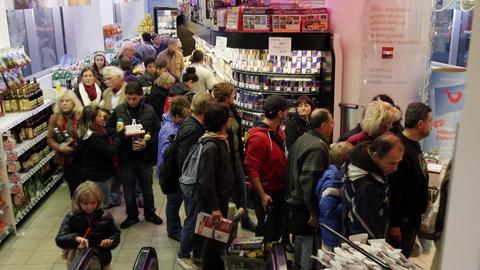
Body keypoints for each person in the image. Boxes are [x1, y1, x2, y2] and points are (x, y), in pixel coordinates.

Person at [106, 81, 163, 229]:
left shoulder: (150, 111)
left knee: (147, 188)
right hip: (126, 157)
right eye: (128, 98)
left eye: (134, 98)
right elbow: (109, 127)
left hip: (145, 158)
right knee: (128, 190)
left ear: (141, 96)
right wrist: (120, 134)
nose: (131, 101)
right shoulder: (119, 110)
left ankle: (150, 213)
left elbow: (157, 130)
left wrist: (147, 143)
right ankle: (132, 216)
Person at [286, 108, 334, 270]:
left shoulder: (303, 139)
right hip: (305, 206)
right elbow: (310, 181)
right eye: (332, 122)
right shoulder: (317, 147)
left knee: (300, 243)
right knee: (307, 247)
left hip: (296, 201)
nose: (333, 125)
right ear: (324, 125)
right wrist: (313, 210)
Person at [388, 102, 433, 257]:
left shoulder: (414, 144)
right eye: (430, 121)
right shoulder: (401, 148)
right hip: (402, 222)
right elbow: (395, 188)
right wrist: (395, 224)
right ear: (420, 124)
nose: (432, 125)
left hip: (411, 219)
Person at [244, 95, 290, 243]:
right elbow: (251, 169)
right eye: (286, 109)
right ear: (280, 114)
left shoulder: (278, 132)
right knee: (266, 230)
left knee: (276, 228)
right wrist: (262, 195)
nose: (288, 112)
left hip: (279, 188)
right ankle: (262, 259)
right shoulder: (259, 138)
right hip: (266, 192)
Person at [211, 83, 256, 232]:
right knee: (230, 190)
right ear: (225, 97)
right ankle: (230, 224)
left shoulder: (232, 108)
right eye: (233, 93)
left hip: (236, 154)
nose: (235, 95)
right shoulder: (218, 112)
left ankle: (244, 218)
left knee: (241, 187)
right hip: (226, 157)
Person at [176, 92, 213, 268]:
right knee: (192, 220)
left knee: (197, 219)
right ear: (206, 108)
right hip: (192, 184)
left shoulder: (194, 124)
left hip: (194, 183)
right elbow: (185, 160)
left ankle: (198, 253)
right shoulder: (192, 129)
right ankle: (183, 254)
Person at [197, 103, 235, 270]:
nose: (230, 120)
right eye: (228, 118)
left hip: (221, 198)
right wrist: (215, 208)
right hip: (214, 202)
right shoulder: (211, 146)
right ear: (222, 121)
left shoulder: (220, 140)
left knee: (217, 238)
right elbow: (206, 180)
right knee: (211, 239)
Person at [343, 135, 404, 239]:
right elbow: (366, 233)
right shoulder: (366, 189)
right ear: (375, 156)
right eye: (391, 163)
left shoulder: (359, 163)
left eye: (398, 163)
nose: (395, 168)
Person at [55, 181, 120, 270]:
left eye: (93, 203)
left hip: (102, 259)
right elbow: (60, 239)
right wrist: (75, 238)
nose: (89, 207)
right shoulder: (71, 217)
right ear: (77, 202)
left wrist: (110, 242)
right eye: (85, 204)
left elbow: (115, 233)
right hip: (79, 260)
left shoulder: (106, 216)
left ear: (99, 200)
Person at [156, 96, 191, 241]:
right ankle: (174, 230)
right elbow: (167, 154)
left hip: (172, 172)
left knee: (174, 202)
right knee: (173, 203)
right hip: (170, 174)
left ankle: (175, 228)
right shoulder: (169, 130)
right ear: (177, 116)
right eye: (186, 117)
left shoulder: (175, 126)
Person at [77, 105, 121, 205]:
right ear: (92, 119)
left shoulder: (90, 131)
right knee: (101, 203)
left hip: (94, 172)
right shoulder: (94, 138)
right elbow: (110, 152)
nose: (103, 118)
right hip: (99, 175)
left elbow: (108, 132)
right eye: (100, 116)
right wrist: (119, 138)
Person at [316, 141, 353, 251]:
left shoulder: (332, 173)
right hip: (333, 233)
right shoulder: (334, 181)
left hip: (332, 230)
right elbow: (326, 209)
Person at [47, 91, 83, 197]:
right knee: (73, 187)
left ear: (74, 102)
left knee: (86, 186)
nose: (64, 103)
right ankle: (76, 210)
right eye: (61, 101)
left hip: (83, 156)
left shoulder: (81, 114)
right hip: (66, 158)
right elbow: (49, 138)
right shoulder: (54, 118)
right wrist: (59, 147)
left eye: (67, 101)